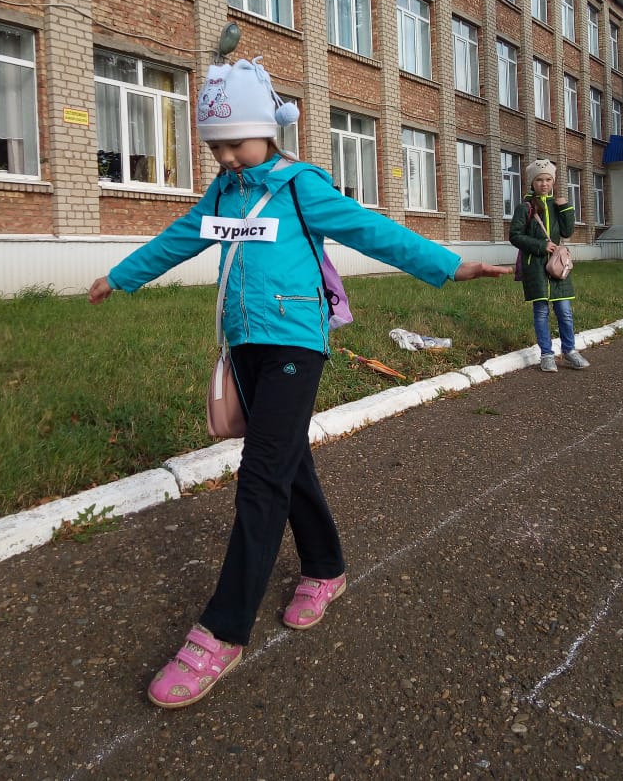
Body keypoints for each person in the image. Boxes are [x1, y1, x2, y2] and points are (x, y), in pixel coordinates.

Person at [89, 56, 512, 710]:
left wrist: (450, 266)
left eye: (234, 142)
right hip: (244, 344)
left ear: (265, 130)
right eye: (215, 146)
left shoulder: (297, 186)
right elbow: (178, 239)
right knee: (287, 461)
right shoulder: (222, 195)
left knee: (261, 476)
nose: (225, 157)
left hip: (295, 343)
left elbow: (371, 231)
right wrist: (121, 276)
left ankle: (222, 630)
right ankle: (324, 567)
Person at [509, 158, 590, 373]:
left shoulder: (556, 205)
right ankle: (546, 354)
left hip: (557, 267)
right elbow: (515, 236)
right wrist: (541, 245)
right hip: (535, 267)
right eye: (539, 180)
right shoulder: (525, 208)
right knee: (541, 312)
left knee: (565, 312)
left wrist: (566, 208)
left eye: (548, 180)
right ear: (532, 182)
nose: (544, 184)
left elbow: (567, 231)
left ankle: (570, 351)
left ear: (553, 181)